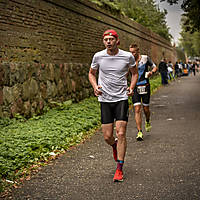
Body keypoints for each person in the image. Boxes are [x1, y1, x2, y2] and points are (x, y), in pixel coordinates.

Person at [88, 30, 138, 182]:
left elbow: (134, 73)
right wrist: (95, 86)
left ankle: (119, 169)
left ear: (117, 41)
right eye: (106, 39)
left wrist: (132, 87)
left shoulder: (127, 56)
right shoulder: (98, 56)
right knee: (108, 136)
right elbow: (91, 73)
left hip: (121, 98)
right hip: (105, 99)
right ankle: (115, 145)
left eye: (111, 39)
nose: (108, 42)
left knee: (121, 133)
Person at [129, 43, 157, 140]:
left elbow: (154, 66)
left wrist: (151, 72)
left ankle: (148, 120)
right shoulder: (129, 60)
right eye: (130, 52)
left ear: (138, 51)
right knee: (137, 109)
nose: (132, 54)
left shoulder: (145, 58)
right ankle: (139, 132)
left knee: (146, 109)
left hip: (145, 86)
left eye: (133, 52)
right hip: (135, 87)